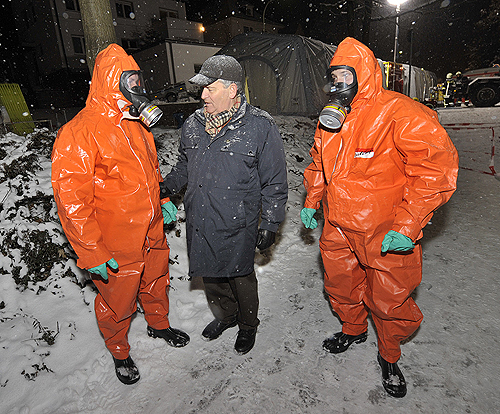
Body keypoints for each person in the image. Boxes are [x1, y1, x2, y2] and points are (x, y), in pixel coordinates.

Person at [301, 37, 458, 398]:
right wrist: (312, 202)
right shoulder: (332, 119)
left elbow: (435, 169)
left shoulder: (399, 112)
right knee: (340, 285)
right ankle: (353, 329)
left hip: (383, 228)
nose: (339, 85)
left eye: (346, 76)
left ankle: (389, 355)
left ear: (364, 75)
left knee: (389, 297)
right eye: (334, 77)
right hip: (338, 224)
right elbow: (318, 164)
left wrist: (408, 224)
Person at [51, 44, 189, 385]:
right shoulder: (78, 133)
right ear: (112, 82)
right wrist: (90, 249)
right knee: (118, 299)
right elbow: (71, 201)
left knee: (156, 280)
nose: (138, 89)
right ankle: (119, 350)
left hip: (151, 228)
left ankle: (158, 324)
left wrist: (163, 196)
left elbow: (150, 170)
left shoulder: (137, 125)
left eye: (139, 81)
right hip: (115, 240)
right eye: (130, 81)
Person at [161, 55, 287, 355]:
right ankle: (226, 317)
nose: (202, 95)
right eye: (201, 89)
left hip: (238, 220)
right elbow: (183, 164)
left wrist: (270, 222)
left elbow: (275, 181)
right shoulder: (193, 124)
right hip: (200, 216)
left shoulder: (259, 126)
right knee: (212, 277)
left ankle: (247, 324)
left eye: (209, 89)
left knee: (240, 276)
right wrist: (165, 188)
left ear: (232, 90)